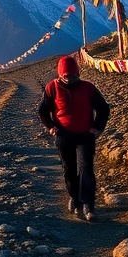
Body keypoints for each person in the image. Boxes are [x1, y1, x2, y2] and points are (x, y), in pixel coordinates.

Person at [37, 55, 110, 221]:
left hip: (85, 135)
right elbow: (42, 110)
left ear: (78, 73)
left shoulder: (88, 88)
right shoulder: (52, 88)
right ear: (60, 75)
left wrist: (98, 127)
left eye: (73, 75)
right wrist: (50, 127)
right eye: (66, 76)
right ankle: (74, 198)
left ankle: (88, 205)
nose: (69, 79)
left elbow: (103, 108)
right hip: (63, 135)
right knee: (69, 169)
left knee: (86, 169)